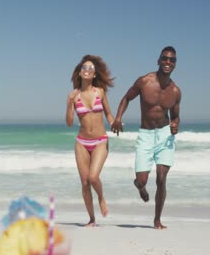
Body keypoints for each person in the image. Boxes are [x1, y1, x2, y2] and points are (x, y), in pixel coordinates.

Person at [111, 46, 181, 229]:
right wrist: (118, 118)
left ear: (175, 64)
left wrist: (175, 125)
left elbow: (175, 116)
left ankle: (157, 220)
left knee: (161, 178)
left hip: (165, 135)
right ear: (158, 60)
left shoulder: (175, 91)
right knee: (142, 180)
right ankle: (140, 186)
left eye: (172, 60)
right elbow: (126, 98)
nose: (168, 62)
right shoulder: (144, 82)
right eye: (165, 58)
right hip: (146, 135)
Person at [65, 55, 115, 227]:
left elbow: (108, 113)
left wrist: (114, 122)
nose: (87, 70)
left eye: (91, 69)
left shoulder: (100, 92)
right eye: (84, 68)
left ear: (94, 75)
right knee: (85, 182)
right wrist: (69, 103)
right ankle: (92, 219)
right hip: (81, 143)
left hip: (100, 140)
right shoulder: (73, 95)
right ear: (80, 73)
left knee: (94, 177)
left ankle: (101, 198)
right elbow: (70, 122)